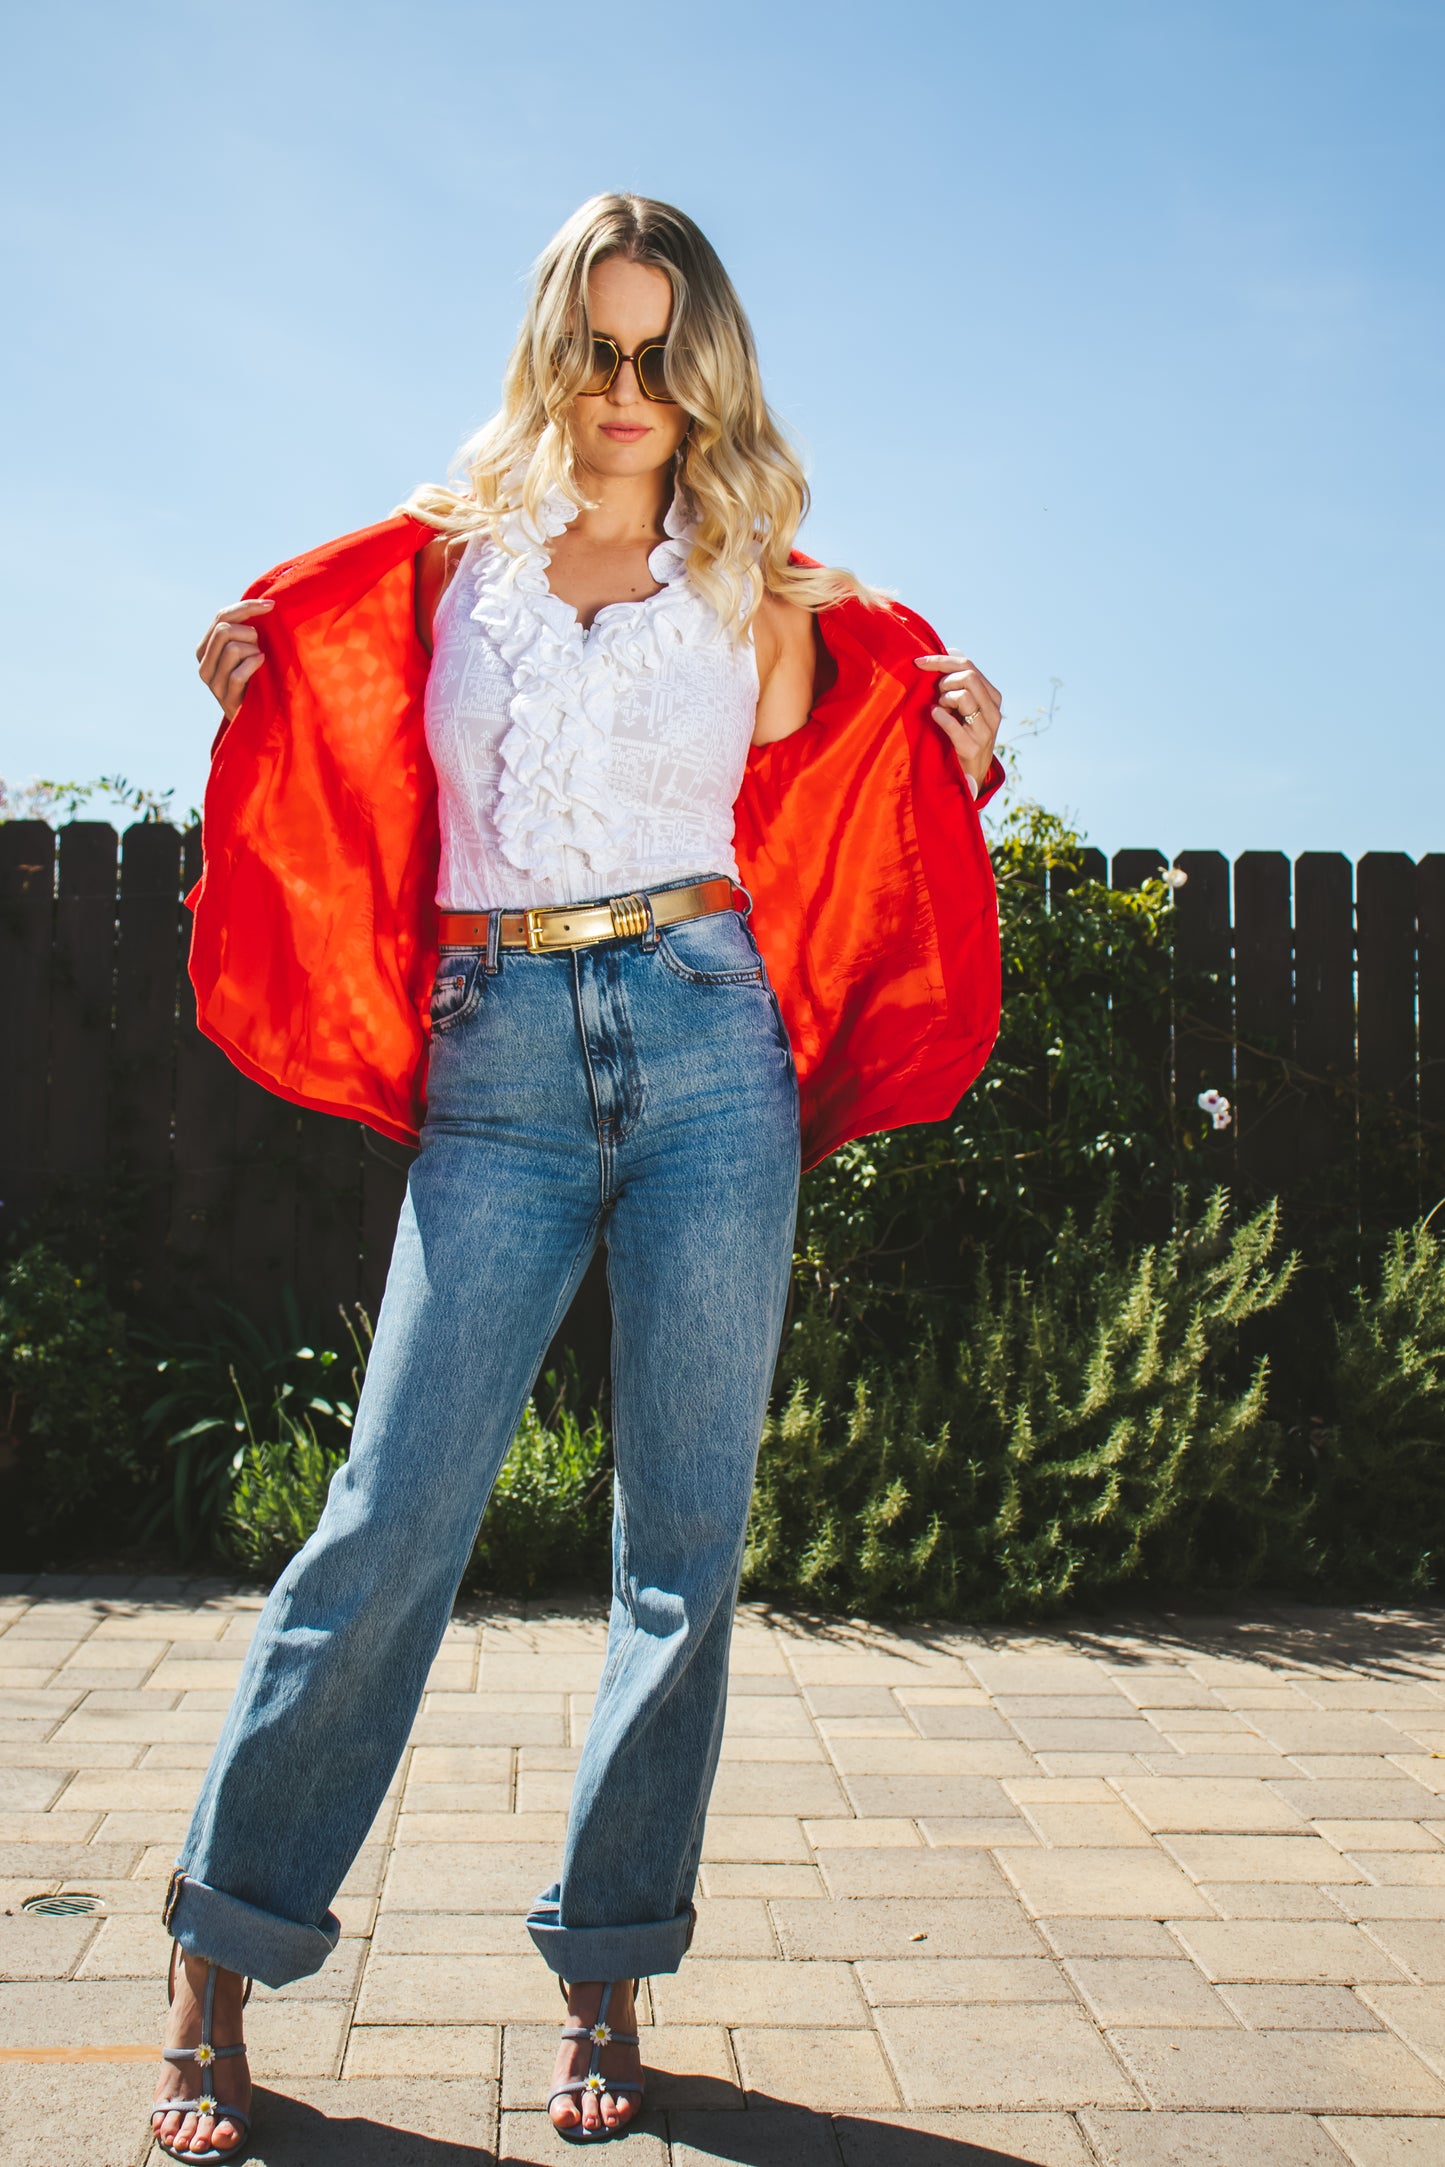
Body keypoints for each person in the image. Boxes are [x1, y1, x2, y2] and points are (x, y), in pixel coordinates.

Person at [150, 192, 1003, 2159]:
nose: (628, 392)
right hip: (503, 1063)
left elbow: (881, 748)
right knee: (389, 1517)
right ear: (558, 352)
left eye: (660, 355)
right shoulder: (448, 564)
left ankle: (608, 1972)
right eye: (597, 351)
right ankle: (215, 1951)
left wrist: (958, 741)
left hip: (714, 1048)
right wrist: (244, 676)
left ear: (701, 367)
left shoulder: (764, 579)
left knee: (680, 1553)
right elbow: (330, 707)